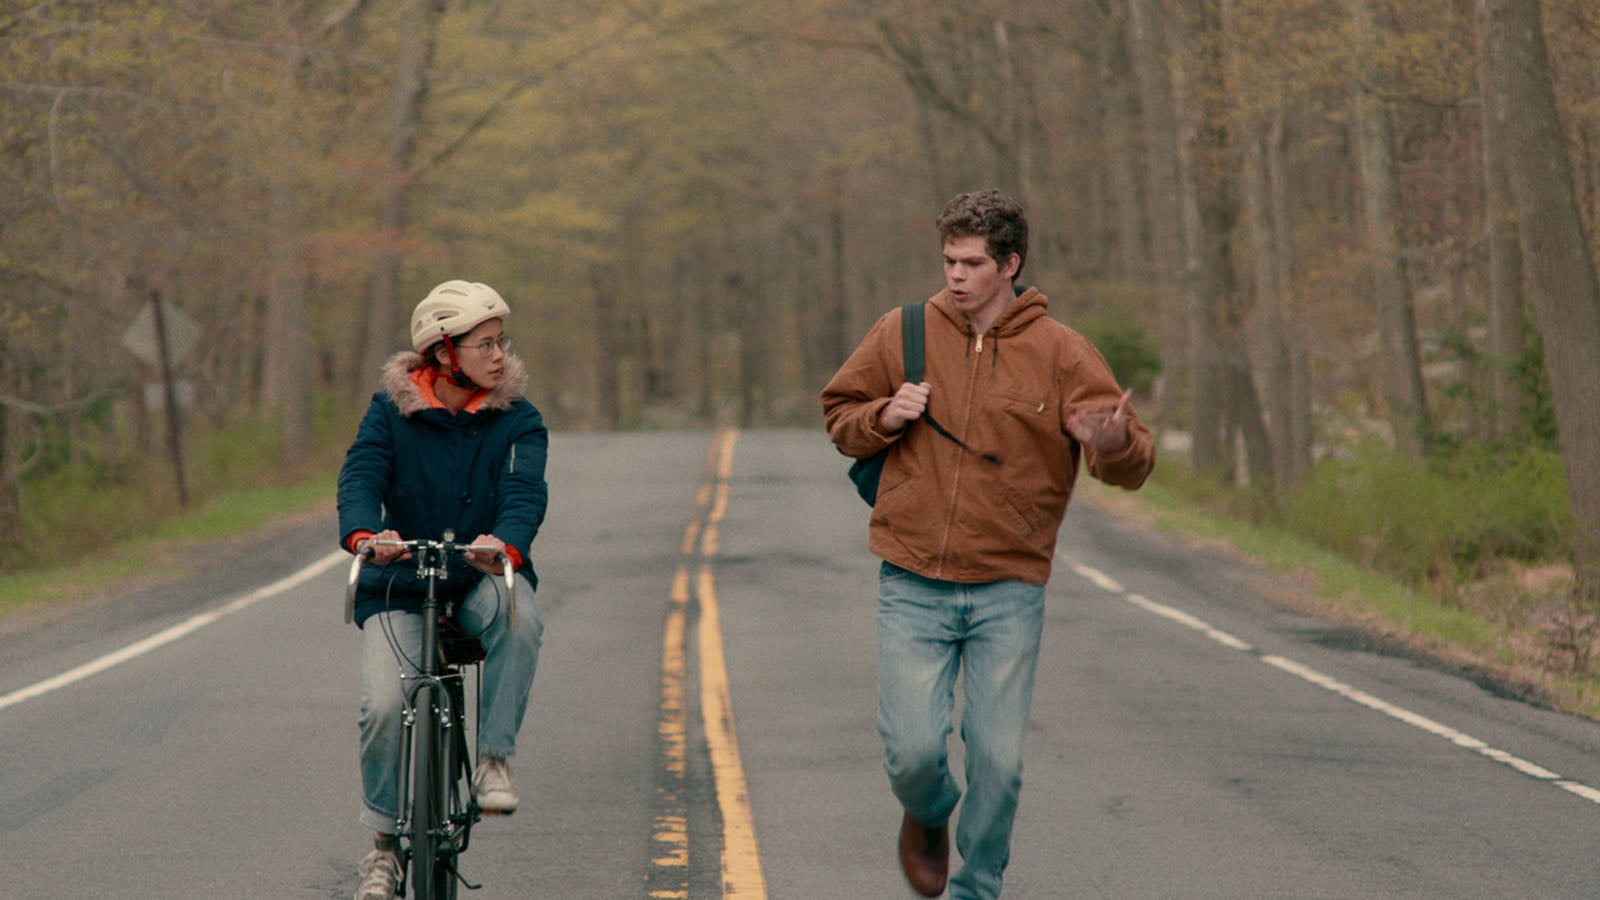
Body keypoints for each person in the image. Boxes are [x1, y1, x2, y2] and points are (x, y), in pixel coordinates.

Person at [821, 189, 1155, 899]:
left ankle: (977, 890)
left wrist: (1113, 442)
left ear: (1010, 264)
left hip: (1009, 586)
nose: (956, 275)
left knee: (999, 766)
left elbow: (1134, 463)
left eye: (972, 263)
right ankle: (928, 813)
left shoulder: (1063, 353)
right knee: (912, 753)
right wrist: (885, 414)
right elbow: (839, 415)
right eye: (949, 260)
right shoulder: (902, 331)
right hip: (912, 578)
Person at [337, 279, 549, 900]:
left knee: (520, 615)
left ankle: (494, 761)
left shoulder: (519, 419)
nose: (499, 354)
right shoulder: (390, 411)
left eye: (501, 341)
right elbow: (361, 475)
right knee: (382, 706)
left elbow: (525, 493)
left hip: (479, 574)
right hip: (400, 582)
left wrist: (503, 545)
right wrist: (368, 535)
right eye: (485, 344)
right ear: (444, 351)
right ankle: (383, 847)